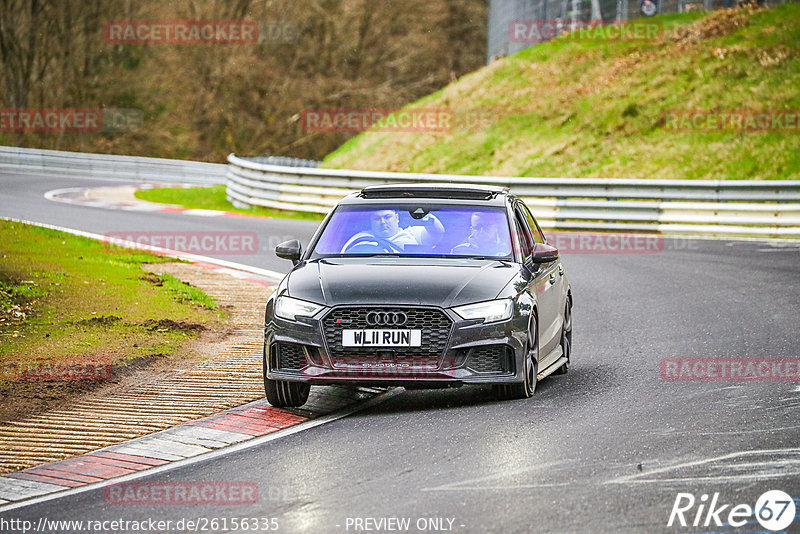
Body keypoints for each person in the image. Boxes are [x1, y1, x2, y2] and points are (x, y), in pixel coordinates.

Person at [341, 209, 444, 252]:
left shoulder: (413, 233)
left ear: (397, 218)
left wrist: (425, 216)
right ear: (371, 222)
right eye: (377, 219)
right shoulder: (360, 238)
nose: (382, 222)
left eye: (387, 217)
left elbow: (437, 233)